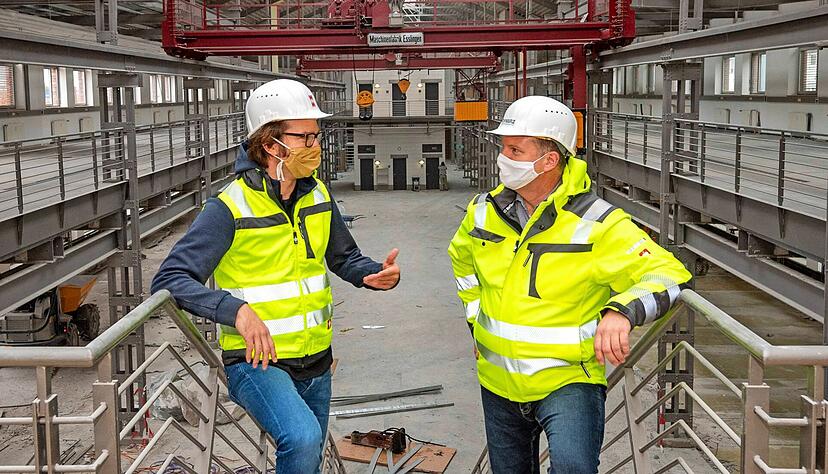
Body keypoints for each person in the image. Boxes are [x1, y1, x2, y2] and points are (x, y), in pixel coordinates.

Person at [151, 79, 400, 474]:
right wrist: (234, 310)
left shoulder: (317, 195)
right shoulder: (229, 207)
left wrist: (372, 273)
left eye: (316, 136)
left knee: (309, 457)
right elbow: (170, 278)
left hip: (317, 359)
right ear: (270, 144)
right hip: (258, 363)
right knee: (301, 438)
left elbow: (343, 256)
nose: (315, 146)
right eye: (305, 138)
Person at [447, 96, 691, 473]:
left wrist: (622, 312)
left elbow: (669, 274)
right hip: (497, 381)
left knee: (573, 467)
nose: (502, 158)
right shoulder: (483, 212)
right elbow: (462, 262)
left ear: (549, 161)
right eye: (504, 148)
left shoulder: (598, 224)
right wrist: (476, 323)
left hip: (568, 380)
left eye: (515, 150)